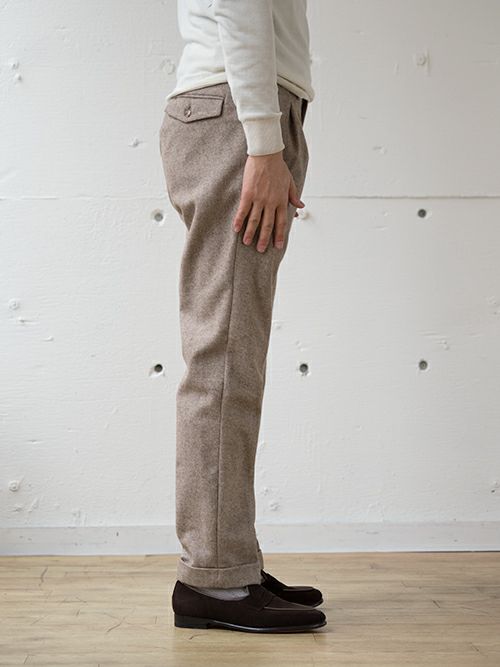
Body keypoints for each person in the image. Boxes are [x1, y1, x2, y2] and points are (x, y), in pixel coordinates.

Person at [159, 0, 326, 633]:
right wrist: (263, 142)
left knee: (233, 356)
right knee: (224, 359)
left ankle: (232, 563)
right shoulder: (251, 127)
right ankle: (216, 579)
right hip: (238, 117)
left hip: (240, 112)